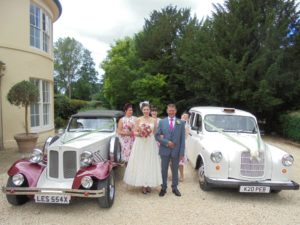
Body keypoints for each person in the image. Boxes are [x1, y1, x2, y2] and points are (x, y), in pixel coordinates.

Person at [123, 102, 162, 194]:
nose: (146, 111)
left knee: (150, 162)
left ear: (150, 110)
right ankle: (142, 184)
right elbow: (134, 132)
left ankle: (148, 184)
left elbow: (155, 132)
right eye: (144, 110)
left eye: (148, 109)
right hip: (140, 142)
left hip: (150, 142)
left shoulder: (154, 120)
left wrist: (149, 133)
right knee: (141, 162)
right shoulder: (138, 119)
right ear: (142, 110)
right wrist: (141, 133)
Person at [155, 104, 185, 197]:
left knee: (175, 170)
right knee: (163, 170)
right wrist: (167, 142)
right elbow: (157, 136)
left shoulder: (180, 122)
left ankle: (175, 188)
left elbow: (182, 139)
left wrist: (182, 153)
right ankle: (163, 187)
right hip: (164, 150)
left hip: (176, 151)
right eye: (170, 110)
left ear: (175, 111)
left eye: (173, 110)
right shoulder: (162, 122)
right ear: (167, 111)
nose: (171, 112)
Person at [179, 112, 190, 182]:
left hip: (182, 143)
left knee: (181, 161)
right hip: (174, 143)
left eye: (186, 116)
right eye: (183, 115)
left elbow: (186, 135)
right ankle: (174, 175)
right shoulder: (177, 122)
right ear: (181, 116)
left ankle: (182, 175)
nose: (185, 117)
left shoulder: (187, 125)